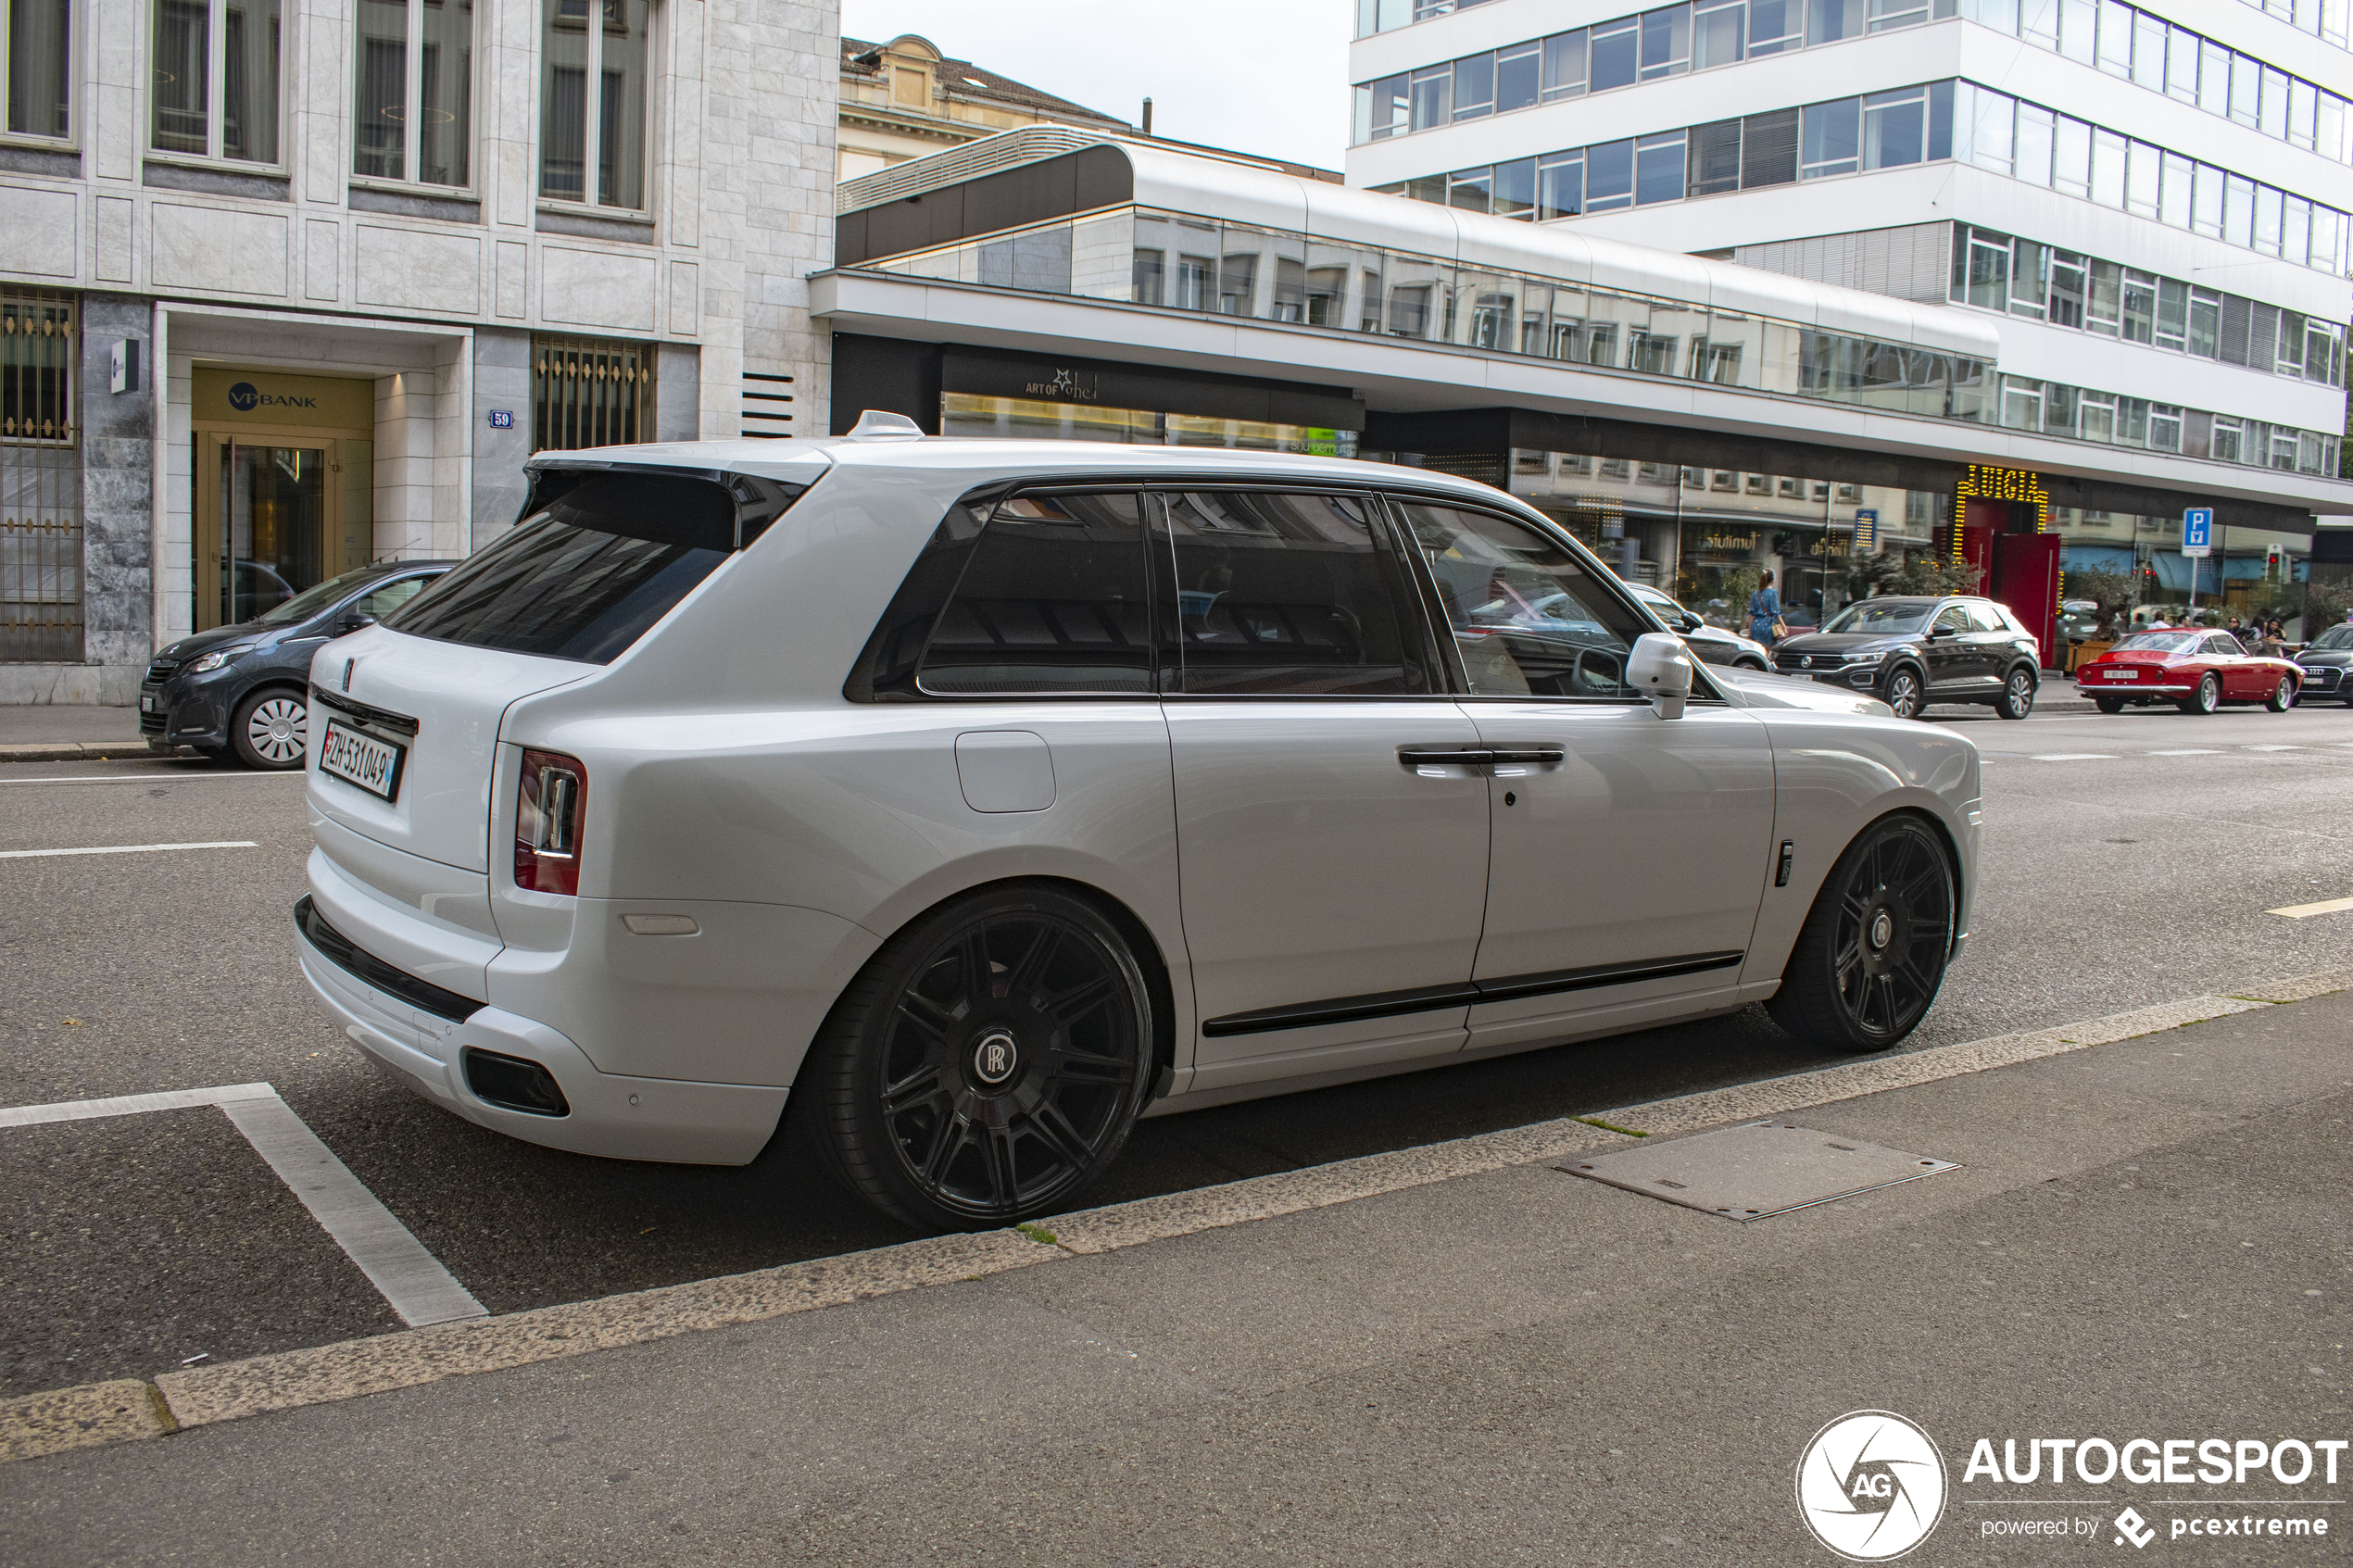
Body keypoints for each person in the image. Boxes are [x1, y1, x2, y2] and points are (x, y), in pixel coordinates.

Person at [1746, 570, 1783, 646]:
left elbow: (1751, 614)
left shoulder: (1755, 593)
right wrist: (1783, 626)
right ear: (1773, 579)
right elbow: (1776, 613)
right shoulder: (1773, 593)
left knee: (1756, 648)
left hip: (1755, 625)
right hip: (1768, 625)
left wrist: (1750, 631)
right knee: (1768, 650)